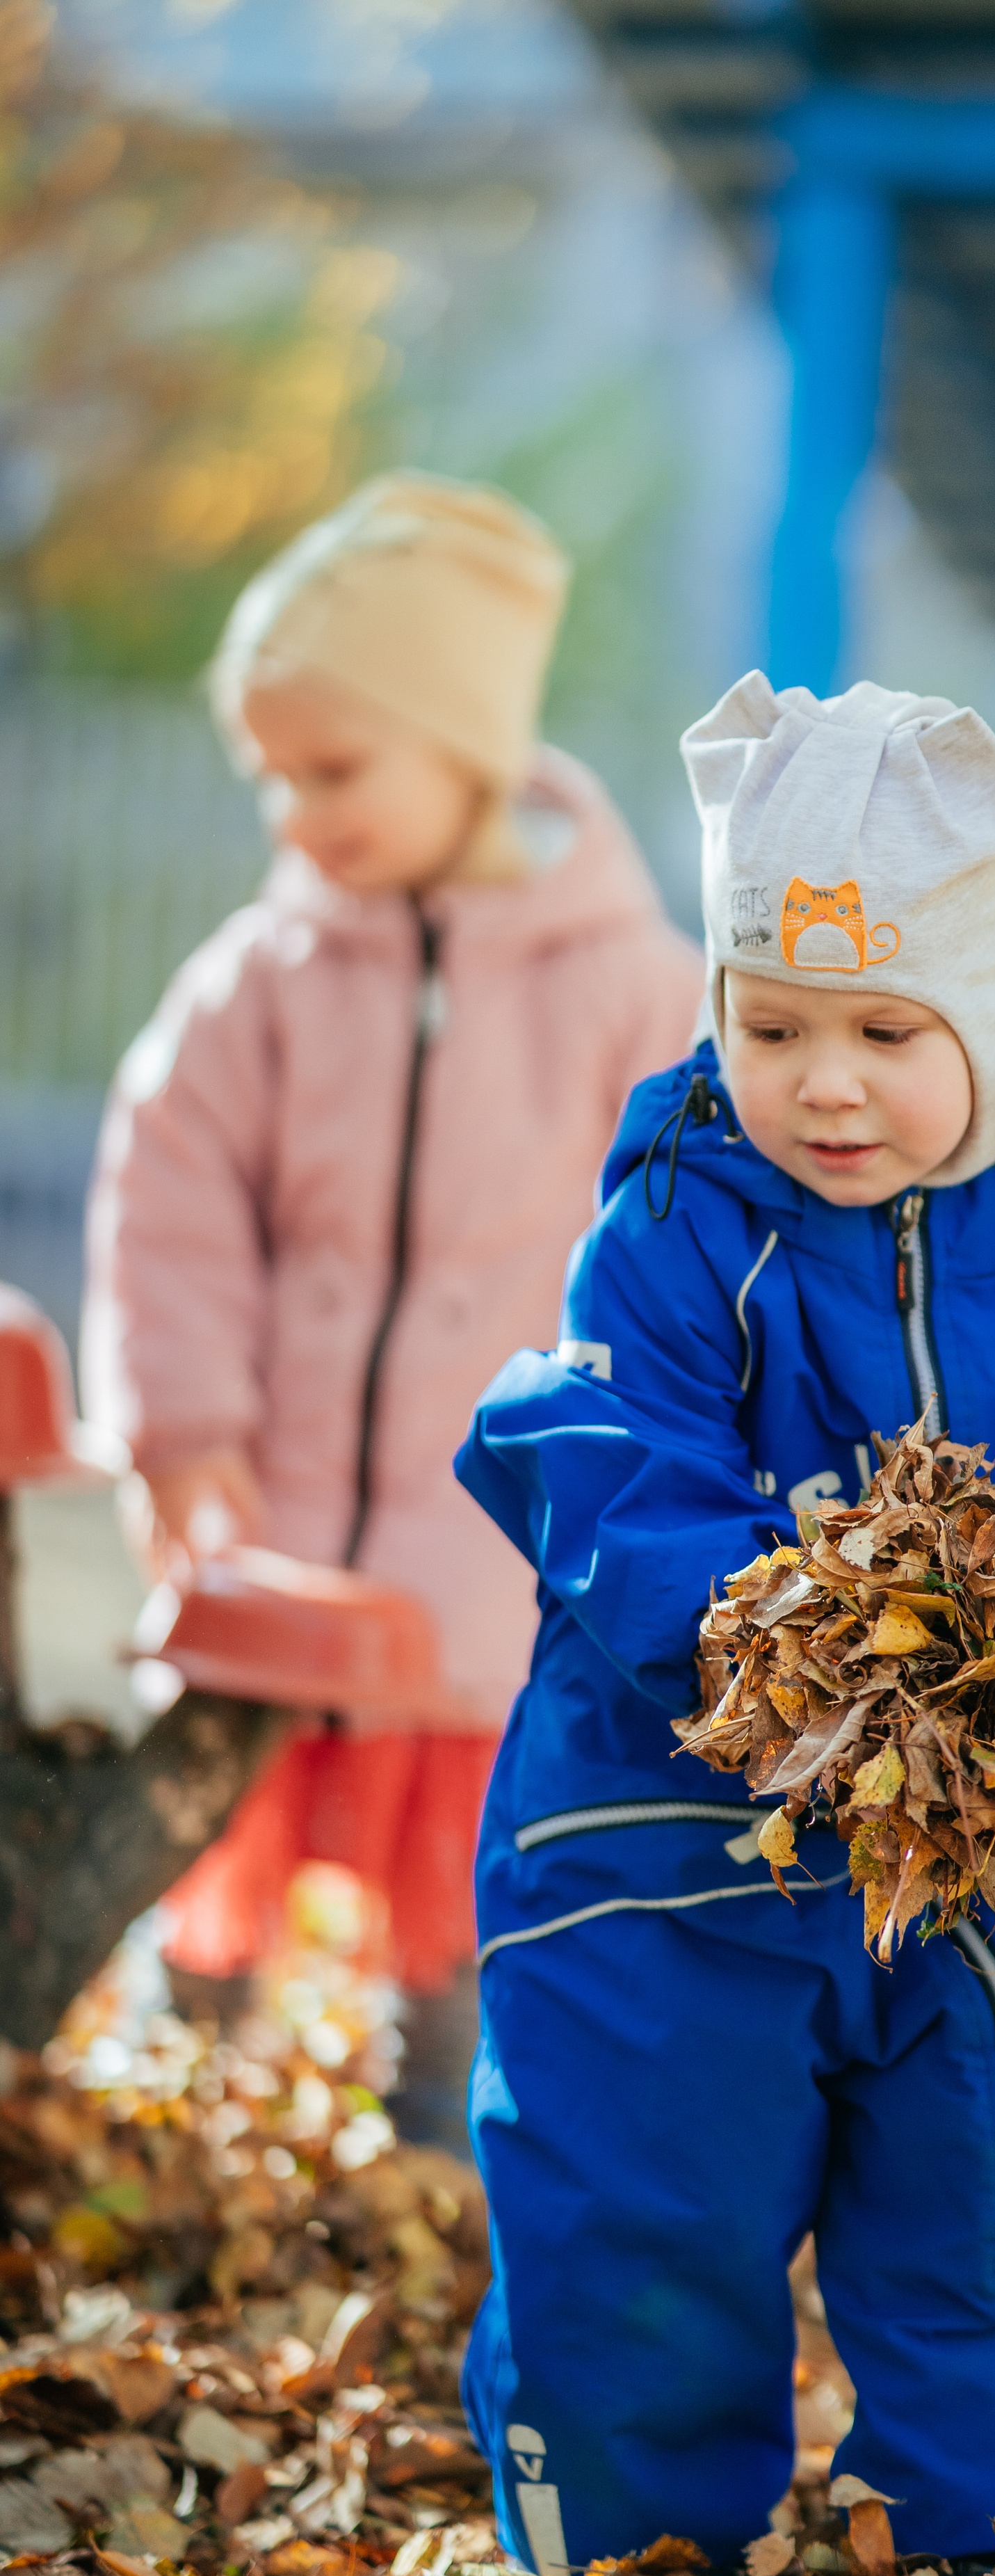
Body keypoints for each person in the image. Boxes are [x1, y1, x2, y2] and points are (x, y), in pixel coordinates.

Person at [453, 673, 995, 2568]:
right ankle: (626, 2559)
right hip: (667, 1842)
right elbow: (614, 1457)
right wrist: (788, 1632)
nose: (822, 1080)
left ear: (992, 1028)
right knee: (636, 2212)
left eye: (885, 1028)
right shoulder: (676, 1219)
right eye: (772, 1024)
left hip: (974, 1851)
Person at [81, 472, 704, 2138]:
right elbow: (173, 1203)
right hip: (273, 1505)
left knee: (461, 1841)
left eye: (333, 770)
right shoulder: (263, 984)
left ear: (469, 746)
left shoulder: (632, 991)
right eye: (271, 776)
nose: (296, 814)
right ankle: (179, 2071)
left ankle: (440, 2109)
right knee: (221, 1804)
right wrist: (183, 1429)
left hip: (487, 1533)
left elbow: (679, 1240)